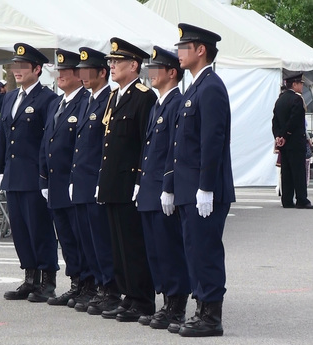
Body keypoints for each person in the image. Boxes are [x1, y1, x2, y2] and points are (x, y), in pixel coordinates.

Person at [162, 23, 235, 337]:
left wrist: (206, 186)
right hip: (188, 188)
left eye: (184, 46)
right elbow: (180, 144)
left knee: (205, 250)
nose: (178, 52)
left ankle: (211, 316)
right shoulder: (194, 87)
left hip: (205, 189)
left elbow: (212, 141)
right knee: (193, 249)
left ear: (200, 50)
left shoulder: (211, 87)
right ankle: (202, 308)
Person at [96, 37, 157, 322]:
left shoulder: (144, 97)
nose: (111, 66)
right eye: (110, 61)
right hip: (111, 181)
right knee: (117, 244)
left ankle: (142, 299)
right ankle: (127, 295)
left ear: (133, 65)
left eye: (116, 62)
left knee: (133, 244)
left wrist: (140, 180)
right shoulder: (113, 96)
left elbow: (146, 142)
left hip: (129, 181)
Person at [0, 43, 59, 302]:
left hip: (33, 175)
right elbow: (2, 135)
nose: (16, 70)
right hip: (13, 174)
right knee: (20, 229)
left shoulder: (47, 99)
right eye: (14, 65)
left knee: (39, 228)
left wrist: (44, 175)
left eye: (22, 66)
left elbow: (48, 142)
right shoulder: (10, 97)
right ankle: (30, 278)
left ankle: (47, 280)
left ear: (37, 69)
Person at [135, 46, 190, 330]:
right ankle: (165, 301)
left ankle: (176, 304)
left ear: (172, 72)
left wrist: (168, 185)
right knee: (155, 250)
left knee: (169, 249)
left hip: (162, 189)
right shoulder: (159, 103)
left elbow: (173, 149)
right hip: (148, 188)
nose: (151, 73)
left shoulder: (177, 102)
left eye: (157, 68)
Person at [37, 49, 90, 305]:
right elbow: (47, 141)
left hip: (73, 183)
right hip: (56, 183)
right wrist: (44, 177)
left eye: (66, 71)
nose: (60, 75)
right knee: (66, 238)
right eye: (59, 71)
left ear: (79, 75)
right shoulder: (58, 103)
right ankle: (76, 282)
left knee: (80, 237)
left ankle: (87, 284)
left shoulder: (84, 102)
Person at [67, 47, 118, 314]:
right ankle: (99, 286)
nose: (83, 75)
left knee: (101, 239)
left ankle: (110, 289)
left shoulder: (109, 99)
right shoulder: (88, 100)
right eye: (81, 71)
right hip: (82, 181)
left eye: (88, 71)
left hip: (97, 182)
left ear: (102, 72)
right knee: (87, 239)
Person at [272, 72, 313, 208]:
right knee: (298, 171)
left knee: (287, 171)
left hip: (284, 142)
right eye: (300, 83)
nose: (302, 86)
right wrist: (286, 135)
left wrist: (278, 136)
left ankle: (287, 200)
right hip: (294, 141)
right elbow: (295, 120)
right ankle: (302, 199)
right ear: (294, 84)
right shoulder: (297, 99)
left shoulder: (280, 99)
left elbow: (275, 121)